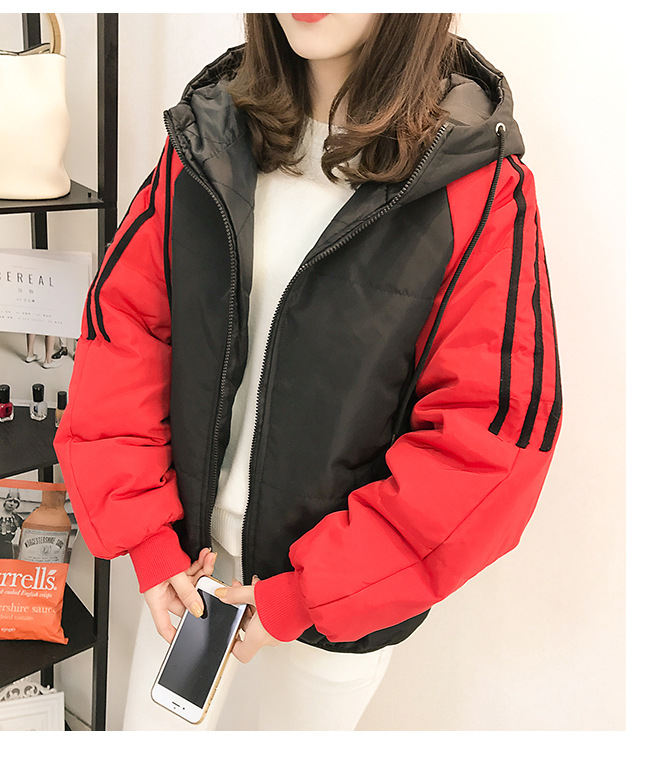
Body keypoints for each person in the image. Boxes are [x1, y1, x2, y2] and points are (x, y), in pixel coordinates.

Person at [54, 13, 562, 730]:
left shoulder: (477, 184)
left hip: (337, 602)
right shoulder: (209, 135)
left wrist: (308, 592)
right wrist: (146, 533)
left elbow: (488, 439)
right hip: (189, 563)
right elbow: (126, 328)